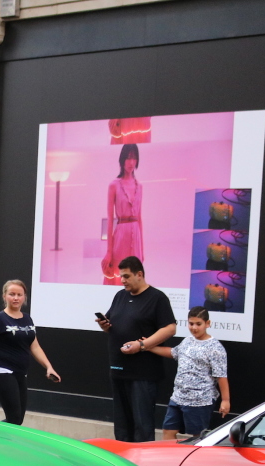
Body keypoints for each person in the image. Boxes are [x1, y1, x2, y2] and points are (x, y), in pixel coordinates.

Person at [95, 256, 177, 442]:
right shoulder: (120, 295)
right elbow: (112, 321)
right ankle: (123, 462)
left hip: (143, 373)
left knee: (142, 423)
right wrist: (105, 325)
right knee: (122, 423)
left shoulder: (157, 298)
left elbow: (170, 328)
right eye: (121, 276)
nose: (122, 280)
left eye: (126, 276)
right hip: (118, 368)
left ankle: (142, 464)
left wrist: (142, 345)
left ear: (139, 274)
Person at [0, 280, 60, 425]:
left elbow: (35, 347)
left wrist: (49, 367)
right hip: (3, 372)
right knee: (14, 418)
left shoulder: (27, 319)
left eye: (19, 294)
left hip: (21, 373)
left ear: (24, 297)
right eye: (12, 294)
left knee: (18, 420)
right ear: (4, 296)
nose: (16, 298)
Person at [147, 306, 230, 439]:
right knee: (168, 431)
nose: (194, 328)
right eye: (191, 324)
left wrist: (226, 400)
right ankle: (172, 459)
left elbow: (221, 376)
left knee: (197, 436)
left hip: (200, 400)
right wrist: (148, 346)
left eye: (198, 324)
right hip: (178, 397)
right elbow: (173, 352)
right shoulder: (187, 341)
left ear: (207, 324)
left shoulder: (215, 348)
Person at [101, 143, 144, 281]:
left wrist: (142, 249)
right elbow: (110, 219)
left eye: (134, 157)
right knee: (118, 275)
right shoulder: (114, 185)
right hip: (120, 236)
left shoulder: (140, 186)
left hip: (135, 236)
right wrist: (108, 251)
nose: (131, 162)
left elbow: (139, 217)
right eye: (128, 157)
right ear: (122, 160)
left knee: (134, 279)